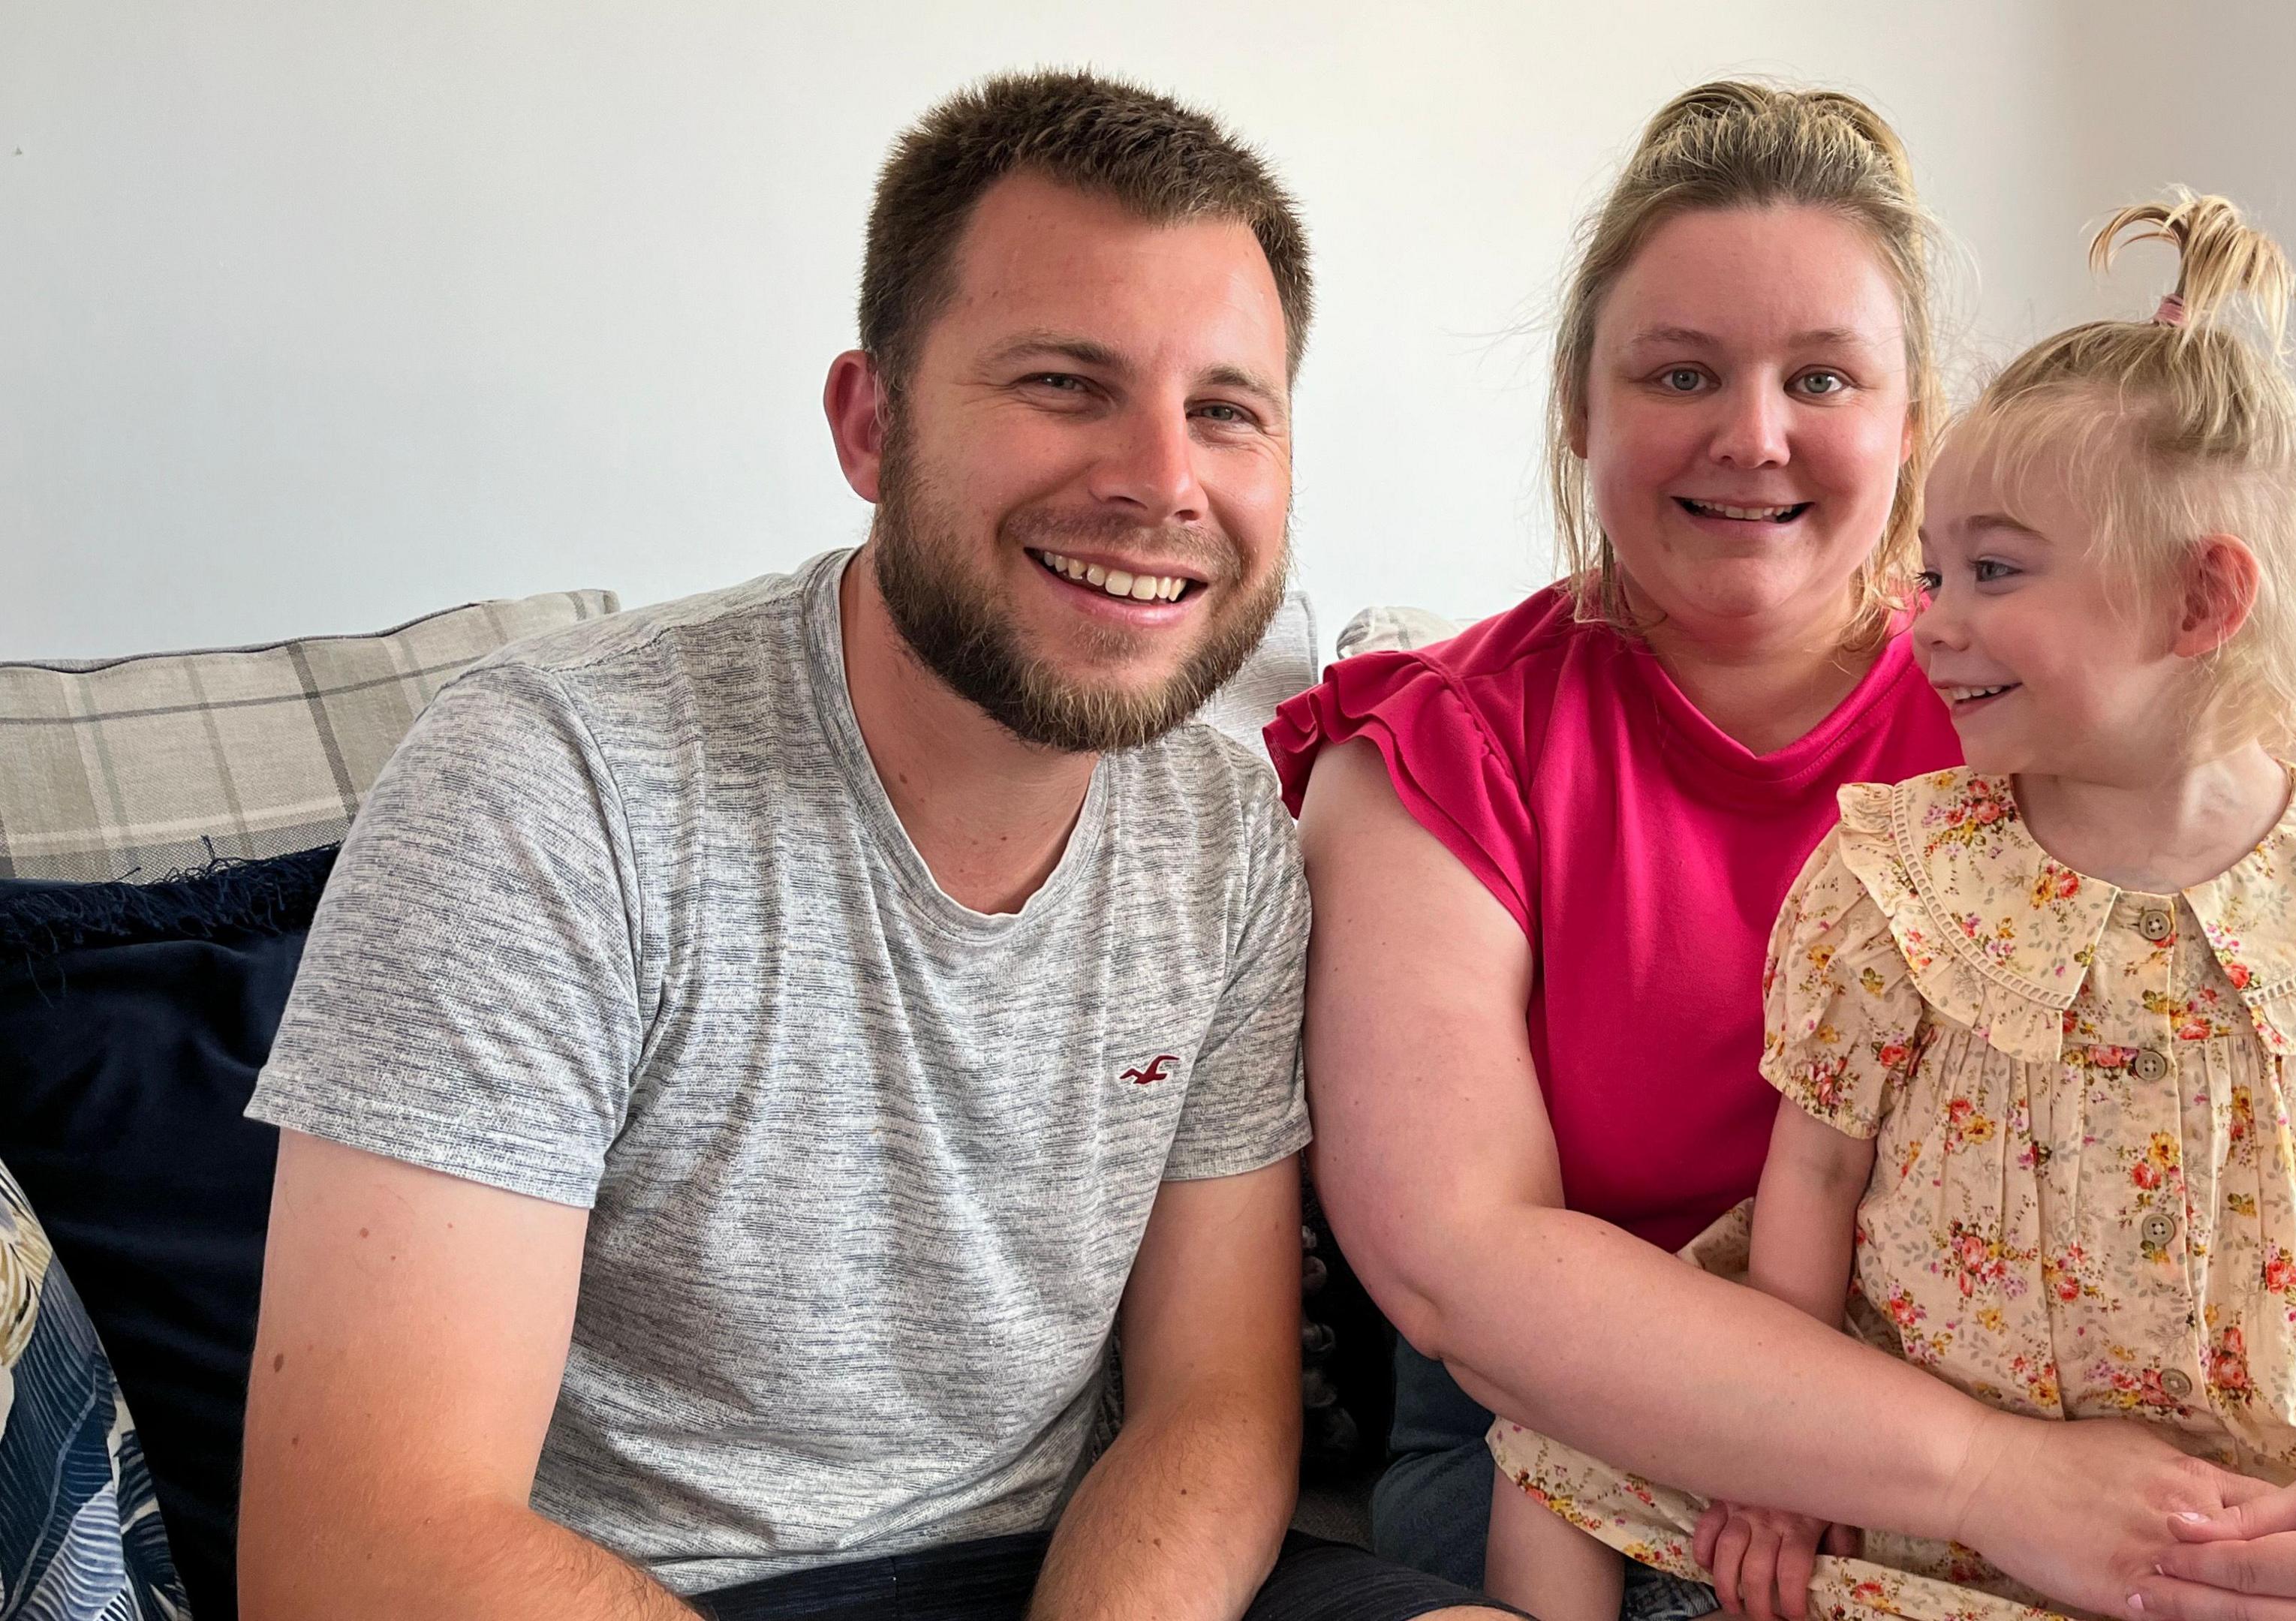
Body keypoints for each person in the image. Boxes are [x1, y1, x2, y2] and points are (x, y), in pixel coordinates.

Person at [234, 69, 1505, 1621]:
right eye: (1063, 382)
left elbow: (1213, 1405)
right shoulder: (550, 783)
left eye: (1226, 411)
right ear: (870, 420)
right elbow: (362, 1541)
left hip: (1080, 1568)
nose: (1163, 482)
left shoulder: (1225, 826)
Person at [1284, 88, 2296, 1621]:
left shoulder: (2064, 704)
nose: (1754, 435)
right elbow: (1458, 1268)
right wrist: (1997, 1486)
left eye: (1821, 376)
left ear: (1910, 420)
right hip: (1619, 1442)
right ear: (1580, 406)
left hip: (2082, 1410)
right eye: (1681, 371)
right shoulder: (1440, 749)